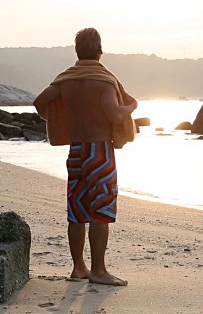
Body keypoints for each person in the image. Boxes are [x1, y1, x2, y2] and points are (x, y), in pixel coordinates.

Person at [33, 28, 137, 286]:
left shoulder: (66, 79)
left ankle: (79, 268)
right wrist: (133, 105)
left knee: (77, 209)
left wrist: (58, 117)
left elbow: (39, 103)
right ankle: (99, 271)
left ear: (77, 51)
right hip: (99, 151)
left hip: (77, 150)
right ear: (100, 51)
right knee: (100, 210)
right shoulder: (103, 80)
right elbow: (114, 115)